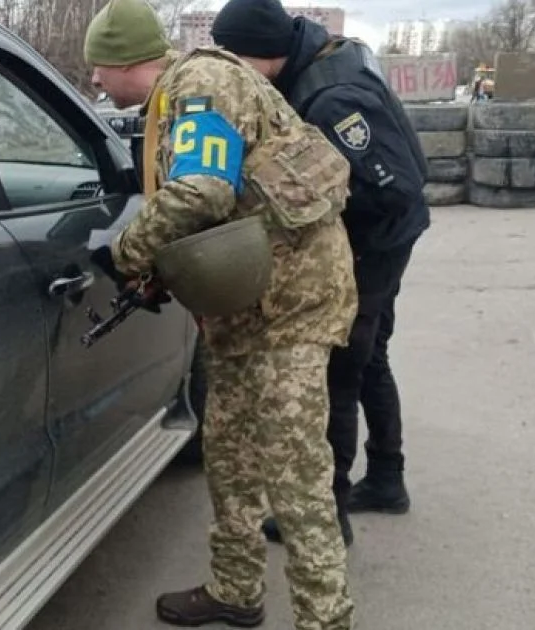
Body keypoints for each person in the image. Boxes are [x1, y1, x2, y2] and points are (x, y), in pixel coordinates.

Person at [82, 0, 359, 627]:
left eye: (99, 68)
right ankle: (236, 590)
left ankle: (326, 620)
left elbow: (201, 191)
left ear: (127, 62)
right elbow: (218, 202)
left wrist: (127, 255)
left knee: (295, 474)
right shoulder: (172, 100)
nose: (96, 82)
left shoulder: (202, 84)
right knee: (230, 454)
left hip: (291, 306)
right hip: (242, 304)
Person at [209, 0, 430, 546]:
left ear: (262, 53)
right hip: (388, 240)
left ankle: (329, 511)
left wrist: (324, 220)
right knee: (372, 357)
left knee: (337, 370)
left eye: (234, 59)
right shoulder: (316, 59)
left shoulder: (330, 99)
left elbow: (394, 186)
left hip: (372, 247)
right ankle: (386, 478)